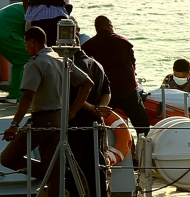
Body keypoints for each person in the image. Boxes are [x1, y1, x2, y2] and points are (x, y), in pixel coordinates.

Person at [0, 26, 93, 197]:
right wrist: (72, 111)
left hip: (42, 121)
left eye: (26, 44)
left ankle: (54, 176)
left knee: (7, 158)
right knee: (54, 170)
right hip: (60, 120)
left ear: (32, 42)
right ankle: (56, 178)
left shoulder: (35, 64)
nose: (26, 48)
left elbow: (28, 97)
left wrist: (14, 125)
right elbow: (87, 84)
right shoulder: (62, 60)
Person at [82, 15, 150, 137]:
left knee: (96, 121)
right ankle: (143, 151)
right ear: (109, 26)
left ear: (96, 28)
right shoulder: (124, 42)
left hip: (105, 94)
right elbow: (132, 65)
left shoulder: (88, 46)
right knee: (142, 124)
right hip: (127, 88)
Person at [66, 36, 111, 197]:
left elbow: (74, 95)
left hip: (78, 121)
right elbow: (107, 90)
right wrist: (101, 108)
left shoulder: (72, 66)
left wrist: (92, 108)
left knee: (75, 165)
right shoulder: (97, 64)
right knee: (97, 165)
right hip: (96, 123)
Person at [0, 2, 31, 104]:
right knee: (29, 60)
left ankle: (13, 94)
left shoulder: (24, 6)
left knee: (18, 62)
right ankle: (22, 97)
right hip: (5, 32)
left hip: (5, 30)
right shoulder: (38, 12)